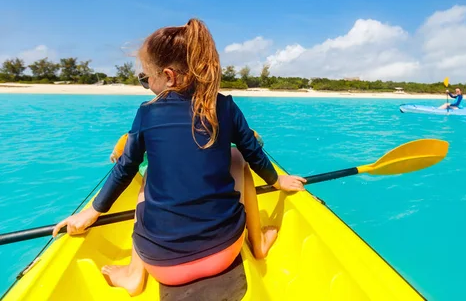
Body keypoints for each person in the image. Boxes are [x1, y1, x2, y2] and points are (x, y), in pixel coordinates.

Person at [52, 18, 306, 296]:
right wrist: (277, 180)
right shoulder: (226, 107)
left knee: (147, 176)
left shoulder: (147, 113)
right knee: (239, 158)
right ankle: (257, 244)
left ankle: (135, 274)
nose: (146, 85)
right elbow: (254, 153)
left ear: (169, 76)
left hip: (163, 266)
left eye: (146, 78)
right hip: (226, 250)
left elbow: (125, 168)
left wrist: (92, 212)